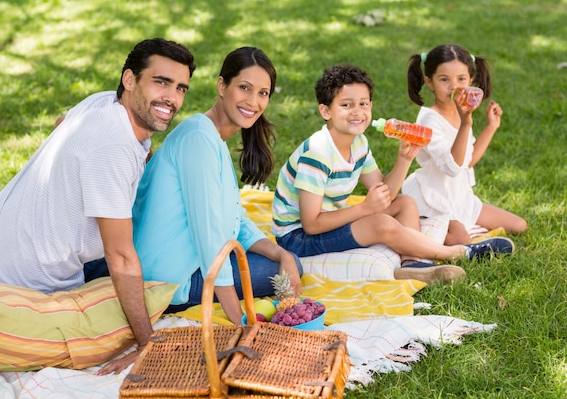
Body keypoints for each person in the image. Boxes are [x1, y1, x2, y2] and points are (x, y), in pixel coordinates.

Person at [0, 38, 196, 365]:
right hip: (35, 279)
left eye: (181, 88)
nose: (172, 98)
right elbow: (121, 257)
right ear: (130, 80)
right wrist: (147, 343)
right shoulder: (113, 150)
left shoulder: (103, 103)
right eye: (161, 82)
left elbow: (62, 122)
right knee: (175, 276)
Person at [271, 64, 515, 285]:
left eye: (363, 103)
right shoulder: (318, 153)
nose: (357, 112)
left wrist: (404, 159)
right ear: (326, 111)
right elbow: (311, 225)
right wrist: (365, 209)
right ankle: (459, 252)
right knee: (381, 223)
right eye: (346, 105)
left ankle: (413, 264)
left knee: (405, 203)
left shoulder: (359, 143)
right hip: (297, 238)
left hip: (328, 220)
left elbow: (387, 194)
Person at [132, 46, 303, 324]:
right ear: (222, 86)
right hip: (168, 281)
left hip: (186, 266)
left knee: (288, 263)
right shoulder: (199, 139)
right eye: (244, 88)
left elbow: (234, 218)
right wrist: (240, 321)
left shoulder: (212, 137)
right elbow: (209, 234)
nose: (253, 101)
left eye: (263, 93)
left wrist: (281, 252)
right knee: (289, 269)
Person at [402, 44, 528, 245]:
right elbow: (452, 168)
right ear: (430, 82)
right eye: (444, 79)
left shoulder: (460, 111)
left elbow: (466, 163)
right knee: (461, 238)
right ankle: (423, 223)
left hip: (460, 198)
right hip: (433, 200)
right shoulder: (429, 120)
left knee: (520, 225)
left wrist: (491, 127)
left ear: (471, 81)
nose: (454, 87)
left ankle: (459, 232)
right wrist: (466, 123)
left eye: (461, 79)